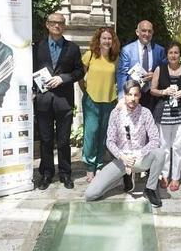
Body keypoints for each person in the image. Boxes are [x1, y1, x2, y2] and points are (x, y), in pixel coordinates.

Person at [85, 80, 165, 207]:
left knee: (160, 153)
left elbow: (155, 139)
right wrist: (123, 157)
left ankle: (150, 189)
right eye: (129, 94)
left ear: (140, 96)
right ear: (124, 95)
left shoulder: (145, 113)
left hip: (141, 158)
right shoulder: (115, 114)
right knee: (90, 194)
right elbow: (109, 141)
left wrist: (138, 154)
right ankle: (122, 177)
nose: (132, 98)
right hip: (122, 160)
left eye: (136, 95)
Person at [33, 13, 84, 190]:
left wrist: (64, 78)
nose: (57, 25)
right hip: (43, 100)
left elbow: (79, 72)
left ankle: (65, 173)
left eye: (60, 23)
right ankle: (46, 174)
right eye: (53, 22)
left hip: (64, 101)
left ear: (65, 26)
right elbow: (29, 70)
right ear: (47, 25)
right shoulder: (37, 47)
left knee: (63, 141)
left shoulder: (73, 48)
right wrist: (33, 90)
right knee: (46, 140)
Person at [79, 27, 121, 183]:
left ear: (113, 41)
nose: (107, 41)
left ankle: (99, 165)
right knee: (91, 133)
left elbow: (118, 79)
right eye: (104, 38)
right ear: (99, 39)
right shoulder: (90, 55)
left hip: (109, 100)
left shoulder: (115, 58)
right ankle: (90, 166)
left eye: (110, 38)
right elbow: (80, 76)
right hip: (91, 100)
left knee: (104, 134)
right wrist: (86, 92)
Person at [150, 41, 181, 192]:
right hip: (164, 113)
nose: (173, 55)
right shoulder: (160, 69)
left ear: (180, 54)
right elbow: (152, 89)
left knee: (178, 146)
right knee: (164, 146)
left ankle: (176, 177)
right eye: (170, 53)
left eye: (176, 52)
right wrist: (163, 92)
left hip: (180, 113)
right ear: (166, 55)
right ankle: (164, 175)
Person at [116, 20, 167, 109]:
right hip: (133, 95)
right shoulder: (127, 50)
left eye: (149, 31)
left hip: (153, 95)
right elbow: (122, 74)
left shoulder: (160, 50)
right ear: (137, 32)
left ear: (152, 33)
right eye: (143, 30)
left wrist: (155, 75)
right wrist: (122, 97)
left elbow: (166, 71)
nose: (146, 34)